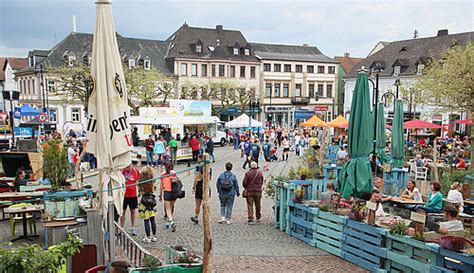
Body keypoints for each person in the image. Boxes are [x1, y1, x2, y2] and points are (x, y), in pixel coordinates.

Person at [137, 166, 157, 243]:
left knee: (146, 220)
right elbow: (154, 189)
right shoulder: (153, 182)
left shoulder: (140, 183)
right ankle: (154, 236)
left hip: (144, 203)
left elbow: (139, 193)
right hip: (151, 202)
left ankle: (148, 237)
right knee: (152, 219)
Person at [191, 155, 212, 224]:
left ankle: (196, 217)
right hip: (206, 187)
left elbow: (197, 178)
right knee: (206, 203)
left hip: (199, 187)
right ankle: (207, 217)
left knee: (198, 203)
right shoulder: (209, 168)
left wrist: (194, 187)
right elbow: (210, 179)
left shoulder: (199, 168)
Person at [120, 163, 140, 236]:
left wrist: (140, 191)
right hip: (123, 195)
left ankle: (133, 228)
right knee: (122, 212)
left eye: (129, 165)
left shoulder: (136, 171)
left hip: (133, 195)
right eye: (126, 165)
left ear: (132, 165)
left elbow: (139, 181)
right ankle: (122, 228)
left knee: (133, 211)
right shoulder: (121, 172)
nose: (127, 167)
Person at [160, 162, 178, 232]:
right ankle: (168, 222)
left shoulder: (163, 175)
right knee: (170, 207)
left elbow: (161, 186)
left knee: (168, 209)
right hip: (174, 193)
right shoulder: (174, 174)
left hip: (167, 192)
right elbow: (178, 182)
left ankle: (171, 222)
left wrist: (160, 194)